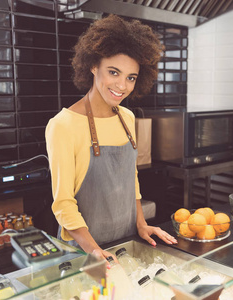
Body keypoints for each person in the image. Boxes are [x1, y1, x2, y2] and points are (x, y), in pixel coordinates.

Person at [45, 14, 177, 261]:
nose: (122, 86)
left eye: (131, 78)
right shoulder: (63, 125)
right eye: (113, 72)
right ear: (94, 66)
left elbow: (131, 180)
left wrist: (141, 224)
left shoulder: (126, 117)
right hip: (84, 253)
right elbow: (63, 204)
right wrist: (94, 250)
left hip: (126, 244)